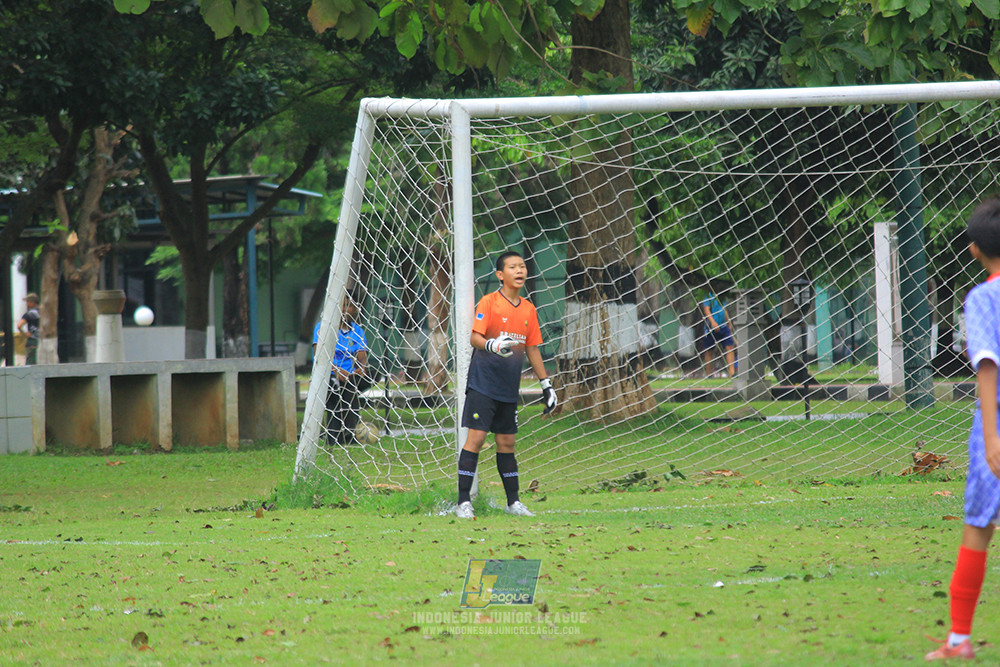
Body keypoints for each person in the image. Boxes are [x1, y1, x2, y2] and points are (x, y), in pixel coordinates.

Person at [926, 197, 1000, 661]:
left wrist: (992, 437)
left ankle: (958, 639)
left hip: (996, 421)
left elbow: (988, 366)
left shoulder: (982, 298)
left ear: (973, 250)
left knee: (978, 526)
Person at [455, 251, 556, 519]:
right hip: (483, 383)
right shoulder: (488, 302)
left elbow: (532, 348)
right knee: (475, 439)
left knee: (507, 442)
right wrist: (492, 344)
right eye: (512, 267)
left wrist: (546, 385)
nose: (519, 270)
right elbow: (475, 338)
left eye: (522, 266)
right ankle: (463, 503)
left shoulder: (528, 309)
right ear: (501, 274)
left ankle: (514, 503)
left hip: (508, 387)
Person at [312, 297, 369, 446]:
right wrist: (336, 371)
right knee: (342, 390)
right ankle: (342, 437)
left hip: (349, 376)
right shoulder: (322, 327)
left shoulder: (357, 330)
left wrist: (361, 368)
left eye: (348, 306)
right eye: (341, 306)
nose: (344, 309)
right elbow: (319, 357)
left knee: (370, 375)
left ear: (355, 309)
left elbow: (362, 357)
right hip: (328, 374)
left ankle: (345, 435)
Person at [700, 292, 735, 378]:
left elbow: (724, 309)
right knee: (709, 350)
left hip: (723, 326)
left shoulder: (722, 295)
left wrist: (728, 322)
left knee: (730, 347)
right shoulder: (708, 296)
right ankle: (708, 374)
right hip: (711, 327)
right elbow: (706, 310)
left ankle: (732, 373)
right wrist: (713, 322)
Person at [17, 292, 40, 366]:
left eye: (28, 301)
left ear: (32, 302)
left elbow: (19, 326)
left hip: (32, 340)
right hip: (42, 339)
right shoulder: (43, 311)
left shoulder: (29, 314)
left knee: (31, 362)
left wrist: (25, 334)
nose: (27, 303)